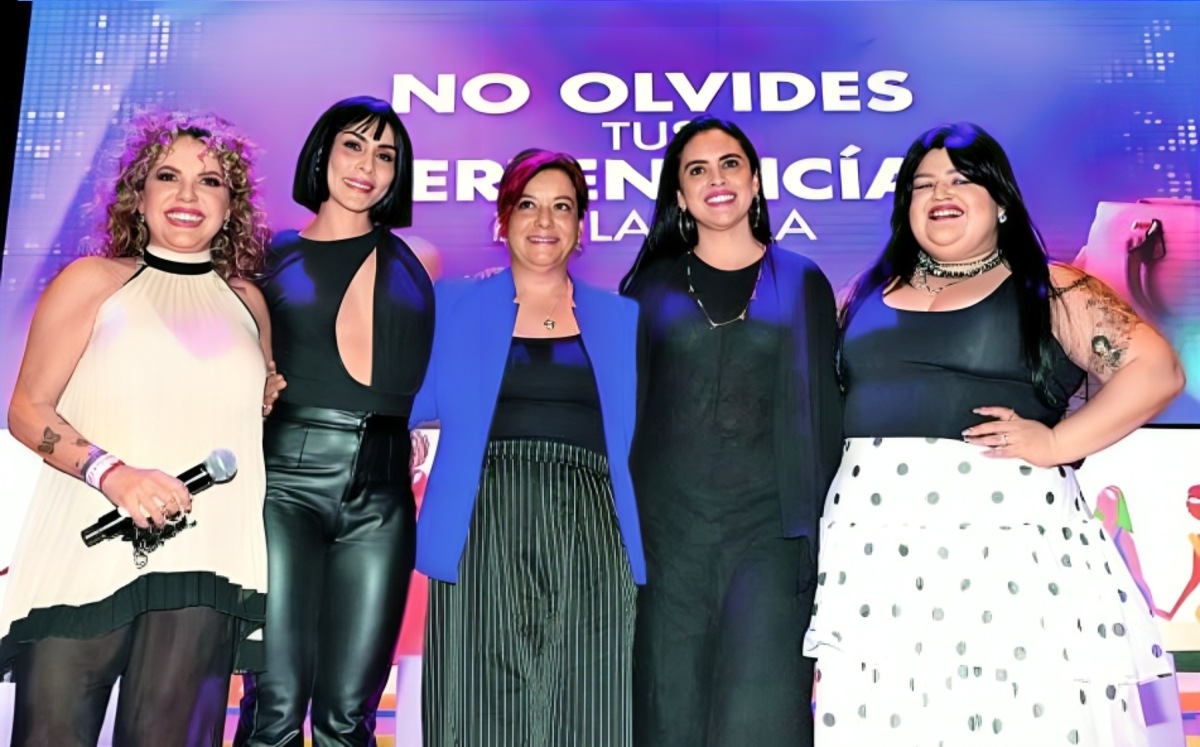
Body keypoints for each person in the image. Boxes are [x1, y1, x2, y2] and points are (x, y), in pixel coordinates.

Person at [804, 122, 1185, 745]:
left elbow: (1158, 370)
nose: (939, 193)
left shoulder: (1052, 287)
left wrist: (1058, 443)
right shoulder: (863, 293)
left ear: (1000, 200)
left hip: (1007, 554)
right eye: (921, 184)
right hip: (877, 562)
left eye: (960, 179)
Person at [0, 111, 272, 746]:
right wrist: (111, 472)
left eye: (210, 182)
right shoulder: (93, 281)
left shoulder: (248, 303)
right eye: (168, 176)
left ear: (231, 205)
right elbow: (26, 408)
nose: (186, 196)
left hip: (206, 562)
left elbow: (252, 395)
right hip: (86, 553)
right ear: (138, 194)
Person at [619, 115, 842, 747]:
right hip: (666, 548)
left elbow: (825, 414)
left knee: (761, 723)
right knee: (669, 722)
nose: (715, 180)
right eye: (697, 170)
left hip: (770, 539)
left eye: (729, 165)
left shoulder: (801, 280)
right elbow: (623, 412)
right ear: (680, 196)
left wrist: (822, 542)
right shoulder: (648, 287)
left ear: (753, 181)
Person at [413, 148, 644, 746]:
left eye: (562, 207)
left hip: (595, 529)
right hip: (482, 521)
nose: (545, 222)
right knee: (480, 711)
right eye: (528, 205)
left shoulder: (623, 319)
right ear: (501, 220)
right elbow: (397, 395)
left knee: (593, 704)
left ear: (581, 226)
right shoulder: (452, 305)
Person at [235, 96, 434, 747]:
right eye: (354, 145)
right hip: (284, 483)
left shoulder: (420, 258)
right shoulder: (266, 255)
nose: (368, 165)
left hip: (382, 493)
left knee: (350, 715)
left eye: (386, 154)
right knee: (276, 705)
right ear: (323, 151)